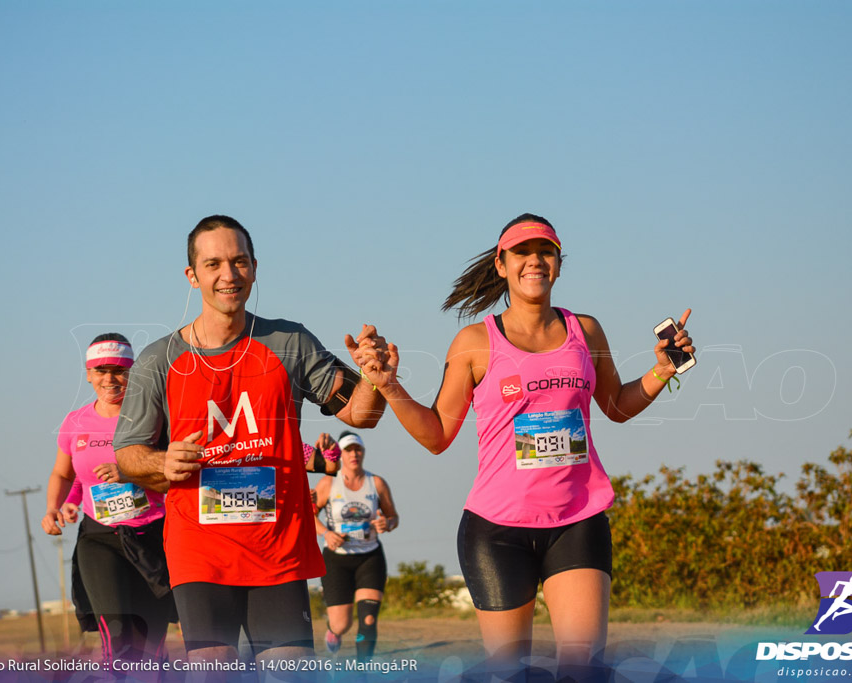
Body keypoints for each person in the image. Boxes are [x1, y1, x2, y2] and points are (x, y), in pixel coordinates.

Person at [358, 214, 695, 676]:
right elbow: (437, 436)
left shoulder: (586, 332)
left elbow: (616, 405)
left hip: (577, 521)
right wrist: (389, 386)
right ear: (501, 264)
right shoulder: (476, 342)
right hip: (497, 532)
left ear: (558, 264)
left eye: (546, 251)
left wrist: (662, 370)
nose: (535, 260)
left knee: (582, 670)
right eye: (522, 251)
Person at [113, 215, 387, 670]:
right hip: (200, 553)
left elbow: (361, 414)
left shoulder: (290, 342)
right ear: (193, 275)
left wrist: (375, 381)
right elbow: (127, 456)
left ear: (255, 268)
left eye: (239, 262)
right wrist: (164, 461)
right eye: (214, 263)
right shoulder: (157, 360)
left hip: (279, 552)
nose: (228, 274)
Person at [42, 334, 175, 667]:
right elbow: (67, 475)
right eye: (101, 370)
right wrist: (57, 507)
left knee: (151, 639)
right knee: (116, 632)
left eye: (119, 370)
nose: (110, 379)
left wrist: (130, 473)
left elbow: (173, 479)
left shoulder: (154, 418)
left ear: (133, 373)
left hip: (152, 537)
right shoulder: (75, 423)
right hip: (99, 537)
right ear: (88, 374)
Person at [313, 431, 398, 662]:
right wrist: (326, 533)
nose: (354, 454)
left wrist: (385, 523)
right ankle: (333, 632)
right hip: (336, 559)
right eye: (348, 450)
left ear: (363, 452)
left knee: (368, 620)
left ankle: (362, 671)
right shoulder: (328, 483)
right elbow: (307, 514)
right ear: (340, 454)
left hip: (369, 558)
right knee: (342, 624)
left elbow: (393, 518)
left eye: (357, 449)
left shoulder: (376, 483)